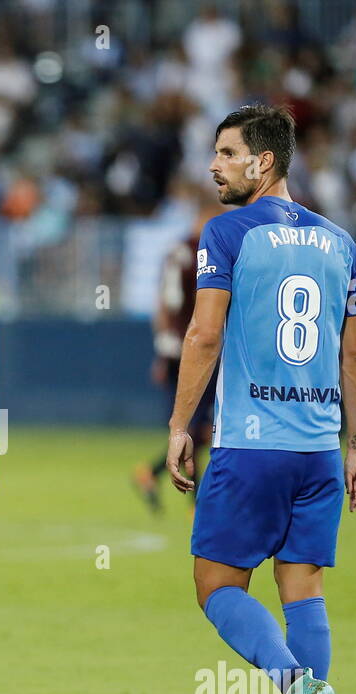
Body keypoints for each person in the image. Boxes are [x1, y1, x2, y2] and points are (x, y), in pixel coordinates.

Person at [166, 104, 356, 694]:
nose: (213, 166)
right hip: (317, 449)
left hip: (251, 446)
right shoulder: (341, 242)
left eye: (226, 153)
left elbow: (202, 335)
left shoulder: (227, 232)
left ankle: (296, 686)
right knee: (303, 588)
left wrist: (177, 426)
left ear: (263, 163)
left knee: (214, 585)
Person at [132, 199, 217, 514]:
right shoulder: (192, 252)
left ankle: (150, 474)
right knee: (195, 428)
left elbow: (164, 304)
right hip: (187, 351)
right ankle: (198, 503)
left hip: (190, 350)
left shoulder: (187, 251)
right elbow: (172, 304)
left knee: (202, 429)